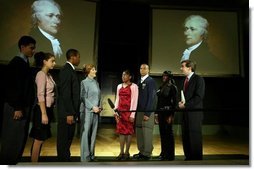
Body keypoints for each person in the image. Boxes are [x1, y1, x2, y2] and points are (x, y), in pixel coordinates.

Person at [0, 35, 36, 165]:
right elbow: (12, 87)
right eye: (31, 48)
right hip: (15, 108)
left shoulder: (24, 63)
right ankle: (6, 164)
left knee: (19, 138)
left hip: (22, 107)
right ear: (22, 47)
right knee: (12, 138)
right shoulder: (16, 63)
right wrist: (17, 107)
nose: (33, 51)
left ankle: (13, 163)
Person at [29, 52, 56, 162]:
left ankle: (35, 163)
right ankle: (33, 165)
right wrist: (44, 114)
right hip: (41, 110)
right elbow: (40, 95)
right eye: (52, 61)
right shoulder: (41, 74)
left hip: (47, 109)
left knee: (41, 139)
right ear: (45, 61)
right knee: (38, 139)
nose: (54, 63)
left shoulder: (49, 75)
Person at [178, 60, 205, 161]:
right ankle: (188, 156)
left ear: (189, 68)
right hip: (185, 114)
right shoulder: (184, 80)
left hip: (194, 114)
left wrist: (186, 105)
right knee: (185, 136)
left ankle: (196, 159)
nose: (181, 68)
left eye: (183, 66)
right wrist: (180, 103)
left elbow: (199, 97)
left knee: (194, 136)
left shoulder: (199, 79)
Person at [57, 49, 80, 162]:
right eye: (78, 57)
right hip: (67, 113)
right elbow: (66, 94)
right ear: (73, 57)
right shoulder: (67, 70)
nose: (79, 59)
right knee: (64, 139)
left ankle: (65, 159)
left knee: (67, 139)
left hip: (70, 112)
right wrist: (70, 113)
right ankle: (63, 162)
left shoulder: (70, 70)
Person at [133, 64, 157, 160]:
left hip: (147, 111)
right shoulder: (139, 81)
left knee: (147, 132)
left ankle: (147, 153)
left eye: (144, 68)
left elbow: (152, 98)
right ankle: (142, 151)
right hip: (139, 111)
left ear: (148, 70)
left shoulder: (150, 81)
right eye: (141, 68)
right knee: (139, 132)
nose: (142, 70)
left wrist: (148, 113)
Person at [113, 70, 138, 161]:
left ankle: (127, 152)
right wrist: (115, 112)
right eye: (122, 75)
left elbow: (134, 101)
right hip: (120, 113)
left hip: (129, 112)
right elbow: (117, 99)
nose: (123, 76)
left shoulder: (134, 86)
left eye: (125, 75)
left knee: (128, 133)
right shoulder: (119, 86)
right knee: (121, 133)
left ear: (130, 77)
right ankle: (121, 152)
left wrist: (132, 114)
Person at [79, 64, 102, 162]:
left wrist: (100, 107)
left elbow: (99, 96)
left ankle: (92, 155)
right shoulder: (84, 82)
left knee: (93, 134)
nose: (95, 71)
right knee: (86, 134)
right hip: (87, 111)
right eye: (93, 69)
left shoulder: (96, 83)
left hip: (96, 112)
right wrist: (92, 107)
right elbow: (83, 97)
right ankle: (85, 157)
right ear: (88, 71)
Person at [155, 70, 178, 161]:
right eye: (163, 76)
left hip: (168, 113)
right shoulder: (161, 86)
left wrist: (171, 115)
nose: (164, 77)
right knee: (162, 134)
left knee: (169, 134)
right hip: (160, 113)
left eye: (166, 76)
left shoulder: (173, 87)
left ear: (169, 77)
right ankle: (163, 153)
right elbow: (159, 101)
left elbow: (175, 103)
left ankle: (170, 155)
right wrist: (156, 114)